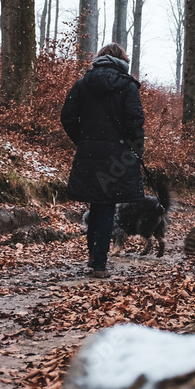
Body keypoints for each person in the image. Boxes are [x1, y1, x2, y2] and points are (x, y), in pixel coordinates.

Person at [60, 43, 145, 278]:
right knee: (107, 205)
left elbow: (67, 116)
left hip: (89, 153)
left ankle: (93, 256)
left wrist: (83, 139)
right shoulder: (128, 86)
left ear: (100, 59)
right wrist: (136, 149)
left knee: (96, 205)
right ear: (122, 61)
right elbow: (135, 121)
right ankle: (99, 264)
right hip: (117, 155)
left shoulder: (83, 83)